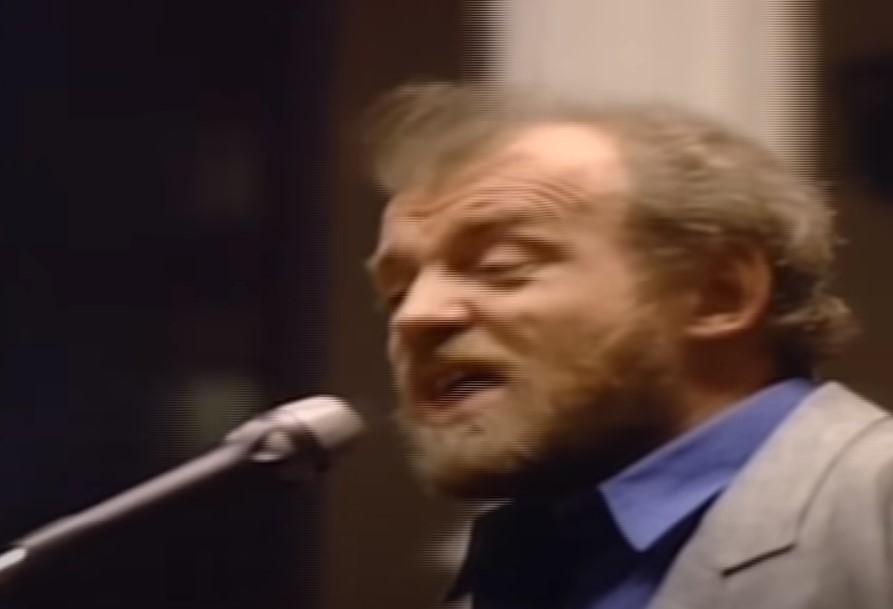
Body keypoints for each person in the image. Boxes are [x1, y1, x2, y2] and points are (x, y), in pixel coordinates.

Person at [363, 82, 893, 609]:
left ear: (719, 292)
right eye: (396, 292)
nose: (414, 316)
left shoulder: (877, 505)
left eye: (500, 266)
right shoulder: (524, 564)